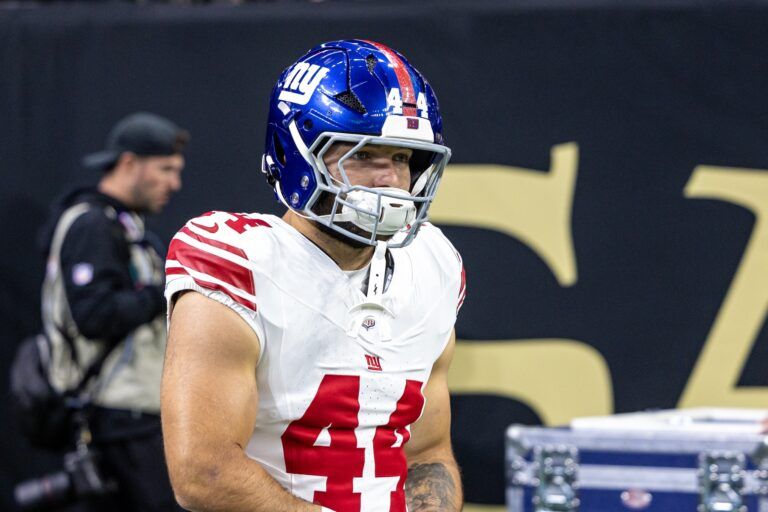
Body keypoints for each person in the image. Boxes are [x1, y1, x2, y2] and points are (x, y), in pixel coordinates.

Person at [161, 40, 466, 512]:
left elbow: (427, 452)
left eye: (402, 159)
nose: (390, 180)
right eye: (363, 156)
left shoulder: (432, 263)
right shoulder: (239, 263)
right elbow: (205, 472)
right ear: (296, 154)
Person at [39, 111, 188, 511]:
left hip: (134, 416)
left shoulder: (123, 225)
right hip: (118, 416)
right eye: (166, 169)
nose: (174, 184)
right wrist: (168, 290)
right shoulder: (91, 224)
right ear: (128, 163)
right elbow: (95, 316)